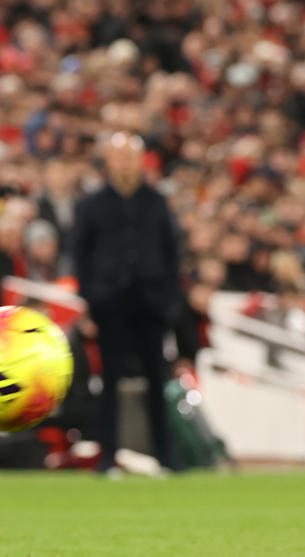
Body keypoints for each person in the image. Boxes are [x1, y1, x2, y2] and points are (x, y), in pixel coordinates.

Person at [71, 132, 181, 474]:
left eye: (130, 156)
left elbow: (171, 252)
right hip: (110, 305)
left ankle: (165, 457)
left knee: (156, 381)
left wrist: (167, 299)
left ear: (140, 160)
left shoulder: (156, 201)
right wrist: (90, 300)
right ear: (108, 161)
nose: (125, 163)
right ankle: (108, 458)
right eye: (118, 156)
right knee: (109, 383)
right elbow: (80, 256)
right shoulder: (92, 204)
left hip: (150, 304)